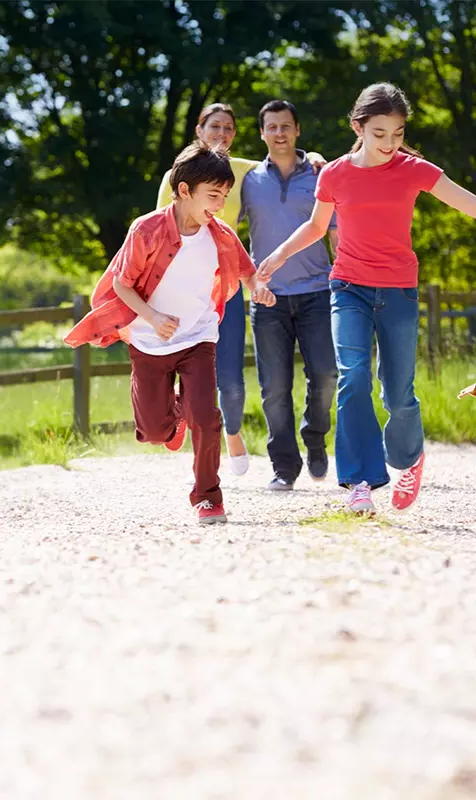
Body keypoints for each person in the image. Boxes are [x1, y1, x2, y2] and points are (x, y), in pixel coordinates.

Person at [257, 83, 476, 514]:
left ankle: (409, 458)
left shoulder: (414, 169)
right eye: (380, 134)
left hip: (397, 290)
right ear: (359, 127)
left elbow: (469, 203)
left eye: (397, 134)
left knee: (398, 395)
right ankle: (359, 480)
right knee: (352, 375)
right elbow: (318, 228)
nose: (390, 144)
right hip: (348, 287)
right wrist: (278, 255)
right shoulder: (334, 173)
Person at [66, 142, 275, 525]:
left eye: (224, 196)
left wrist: (258, 287)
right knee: (154, 430)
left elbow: (246, 272)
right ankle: (173, 416)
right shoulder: (146, 229)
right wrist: (152, 316)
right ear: (184, 190)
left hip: (197, 336)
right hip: (149, 339)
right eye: (213, 195)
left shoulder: (221, 235)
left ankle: (208, 496)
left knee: (207, 417)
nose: (220, 203)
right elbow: (123, 285)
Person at [156, 103, 326, 476]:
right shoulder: (176, 176)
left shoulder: (247, 172)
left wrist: (314, 156)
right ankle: (178, 418)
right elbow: (159, 232)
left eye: (228, 128)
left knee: (233, 385)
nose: (221, 134)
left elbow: (284, 159)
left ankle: (232, 433)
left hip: (228, 289)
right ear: (199, 131)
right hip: (183, 291)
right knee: (176, 367)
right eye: (214, 127)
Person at [240, 100, 339, 491]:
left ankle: (315, 436)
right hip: (267, 298)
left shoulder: (320, 174)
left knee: (327, 375)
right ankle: (284, 467)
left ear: (297, 129)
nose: (279, 133)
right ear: (262, 133)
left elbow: (336, 232)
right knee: (274, 389)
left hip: (318, 290)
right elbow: (226, 230)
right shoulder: (248, 180)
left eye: (286, 126)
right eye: (271, 127)